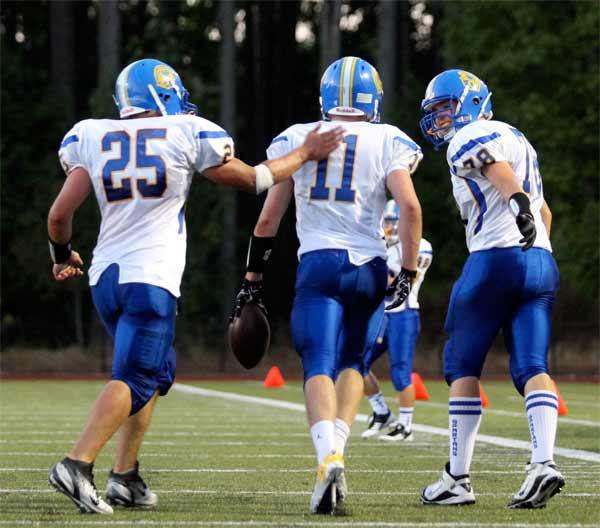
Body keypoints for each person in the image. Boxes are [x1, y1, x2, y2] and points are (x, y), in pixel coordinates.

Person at [47, 58, 343, 515]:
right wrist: (304, 153)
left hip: (106, 279)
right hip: (151, 278)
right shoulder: (185, 130)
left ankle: (124, 476)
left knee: (157, 371)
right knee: (135, 376)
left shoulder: (91, 135)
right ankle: (75, 464)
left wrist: (62, 255)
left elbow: (59, 217)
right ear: (163, 96)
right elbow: (254, 179)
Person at [231, 56, 423, 514]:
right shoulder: (388, 139)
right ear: (373, 98)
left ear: (326, 97)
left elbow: (267, 220)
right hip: (371, 267)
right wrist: (410, 271)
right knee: (354, 361)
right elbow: (410, 209)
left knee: (318, 361)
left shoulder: (300, 137)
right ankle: (339, 449)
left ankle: (327, 457)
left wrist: (252, 280)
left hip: (319, 262)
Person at [418, 69, 563, 508]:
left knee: (461, 365)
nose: (440, 118)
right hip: (540, 258)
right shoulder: (519, 137)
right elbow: (546, 211)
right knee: (532, 364)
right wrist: (535, 237)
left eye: (445, 107)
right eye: (437, 111)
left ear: (471, 102)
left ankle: (457, 478)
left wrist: (516, 205)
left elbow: (495, 169)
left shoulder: (473, 135)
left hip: (494, 259)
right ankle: (542, 462)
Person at [361, 200, 433, 442]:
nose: (389, 226)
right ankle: (381, 412)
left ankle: (406, 426)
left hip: (404, 313)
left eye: (394, 221)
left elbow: (399, 285)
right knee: (356, 363)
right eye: (387, 221)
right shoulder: (383, 246)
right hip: (382, 314)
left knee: (401, 373)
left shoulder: (418, 246)